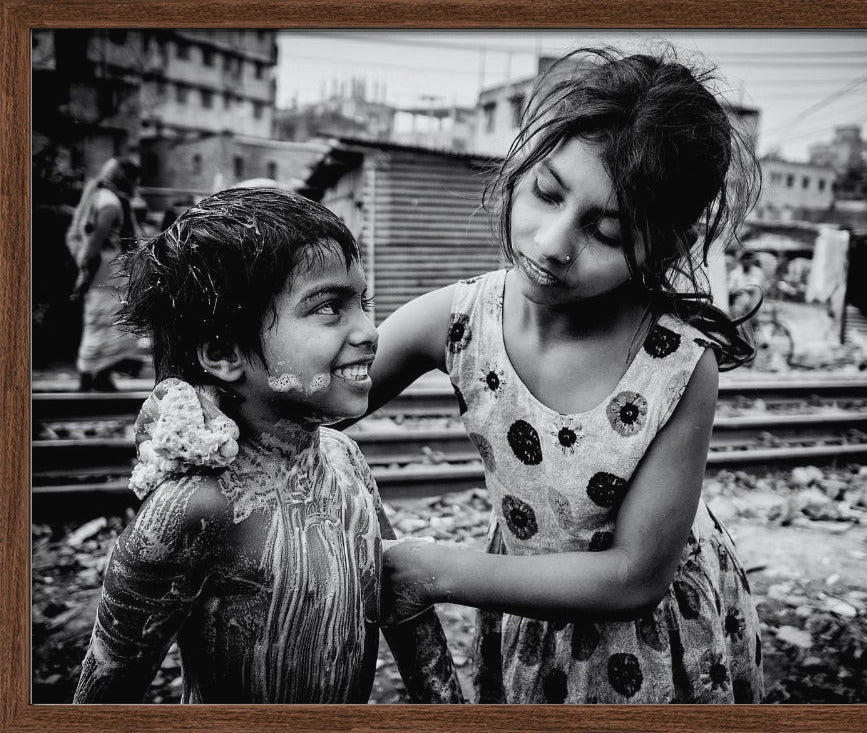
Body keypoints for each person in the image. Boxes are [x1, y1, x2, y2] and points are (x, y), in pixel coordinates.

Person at [367, 47, 764, 703]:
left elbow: (636, 574)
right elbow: (322, 399)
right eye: (547, 192)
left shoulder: (676, 363)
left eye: (606, 230)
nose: (552, 241)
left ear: (662, 246)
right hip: (528, 609)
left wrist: (437, 569)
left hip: (645, 641)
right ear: (519, 165)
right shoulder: (461, 317)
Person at [73, 188, 463, 704]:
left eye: (362, 303)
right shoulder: (193, 506)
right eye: (329, 308)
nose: (369, 331)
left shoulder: (345, 460)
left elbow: (406, 610)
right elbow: (105, 689)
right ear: (223, 352)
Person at [66, 157, 145, 391]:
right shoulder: (111, 203)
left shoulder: (99, 197)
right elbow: (95, 244)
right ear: (126, 178)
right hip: (107, 272)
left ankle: (91, 375)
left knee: (98, 323)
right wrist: (84, 274)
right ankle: (98, 377)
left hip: (103, 272)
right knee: (109, 322)